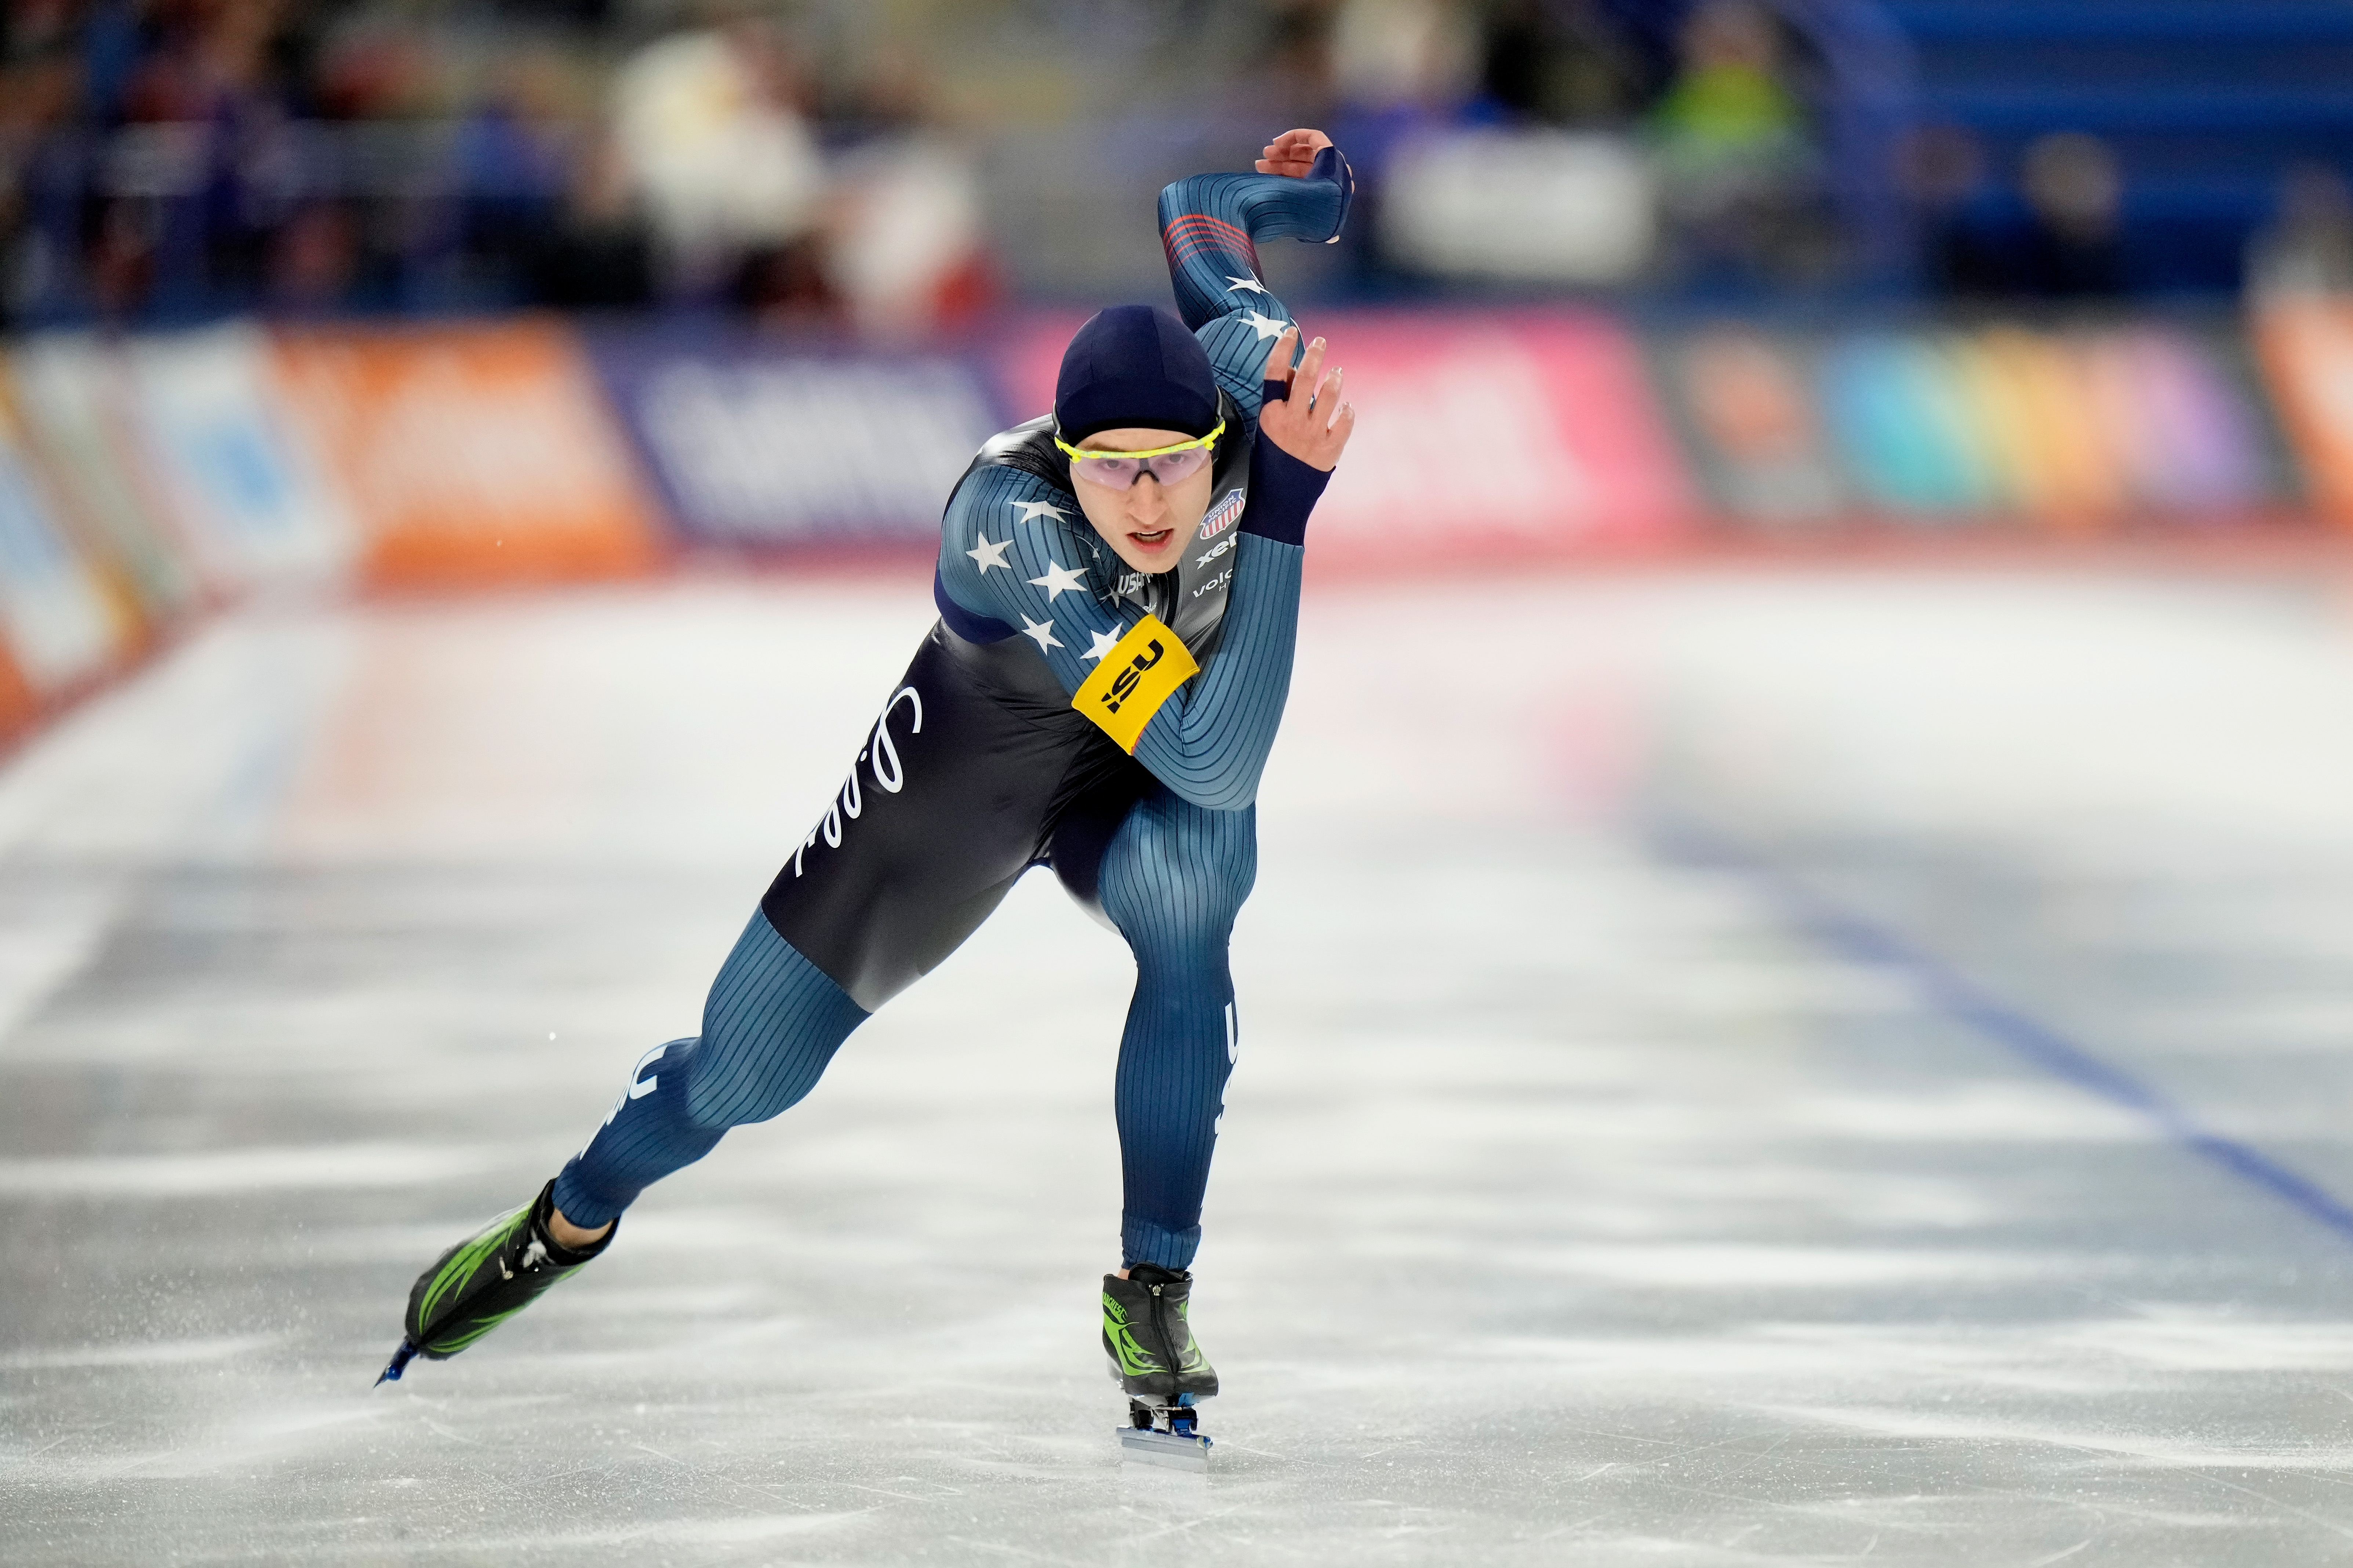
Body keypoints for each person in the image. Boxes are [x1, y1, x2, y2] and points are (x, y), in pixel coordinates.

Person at [381, 129, 1358, 1439]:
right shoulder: (1014, 528)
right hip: (962, 795)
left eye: (1174, 461)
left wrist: (1302, 190)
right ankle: (566, 1217)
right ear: (1063, 458)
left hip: (1113, 785)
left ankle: (1152, 1283)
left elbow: (1198, 216)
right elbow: (1212, 750)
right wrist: (1281, 510)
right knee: (739, 1077)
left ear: (1215, 427)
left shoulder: (1256, 376)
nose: (1143, 497)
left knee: (1197, 889)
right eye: (1107, 466)